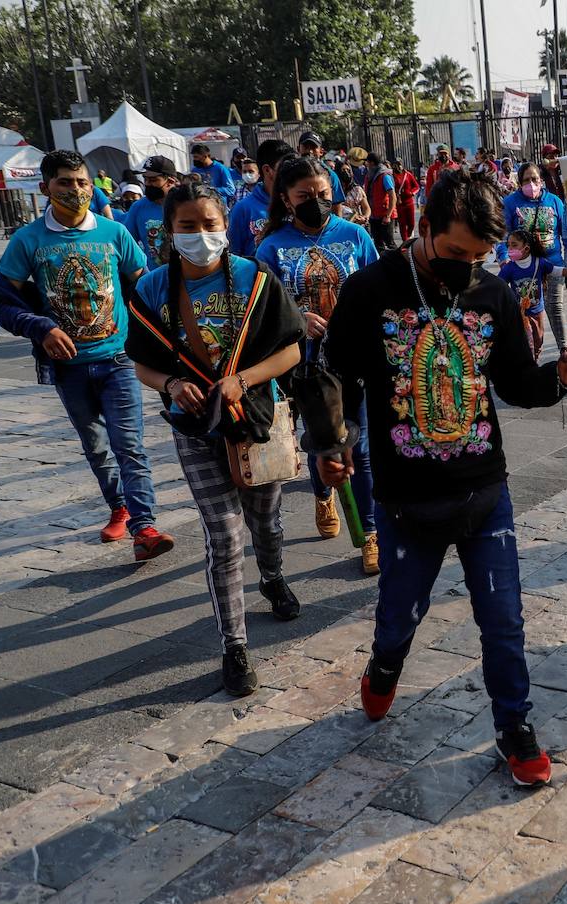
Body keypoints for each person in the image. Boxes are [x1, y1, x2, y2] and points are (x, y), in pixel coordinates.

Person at [316, 170, 567, 786]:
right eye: (453, 254)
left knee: (504, 619)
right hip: (404, 501)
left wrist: (562, 376)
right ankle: (384, 668)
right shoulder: (370, 290)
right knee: (399, 616)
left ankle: (515, 726)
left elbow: (517, 384)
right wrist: (333, 442)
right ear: (423, 229)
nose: (465, 269)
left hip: (482, 491)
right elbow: (333, 372)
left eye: (478, 258)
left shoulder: (492, 295)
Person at [127, 181, 305, 696]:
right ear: (169, 231)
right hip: (198, 429)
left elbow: (290, 351)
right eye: (188, 227)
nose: (200, 235)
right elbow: (143, 363)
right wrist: (172, 384)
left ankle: (271, 577)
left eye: (209, 225)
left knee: (266, 522)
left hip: (257, 421)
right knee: (224, 535)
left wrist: (243, 379)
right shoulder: (153, 288)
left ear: (225, 226)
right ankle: (234, 645)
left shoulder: (256, 278)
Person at [0, 150, 175, 559]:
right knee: (95, 445)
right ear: (45, 188)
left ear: (93, 185)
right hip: (68, 367)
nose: (75, 190)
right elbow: (0, 300)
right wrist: (41, 327)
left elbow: (143, 288)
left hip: (118, 360)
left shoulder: (113, 233)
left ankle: (145, 527)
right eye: (65, 183)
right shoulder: (28, 241)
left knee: (130, 444)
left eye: (82, 182)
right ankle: (119, 507)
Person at [255, 156, 381, 573]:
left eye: (324, 194)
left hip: (356, 358)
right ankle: (323, 494)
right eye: (304, 196)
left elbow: (378, 288)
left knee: (359, 447)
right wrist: (296, 317)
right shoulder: (272, 247)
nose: (316, 202)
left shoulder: (356, 235)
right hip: (305, 368)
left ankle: (370, 533)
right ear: (286, 200)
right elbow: (260, 308)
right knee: (320, 441)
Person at [497, 161, 567, 354]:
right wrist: (503, 257)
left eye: (534, 179)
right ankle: (531, 352)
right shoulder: (510, 203)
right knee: (527, 311)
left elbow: (566, 233)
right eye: (526, 180)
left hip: (552, 263)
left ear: (541, 180)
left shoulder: (555, 202)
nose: (531, 183)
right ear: (519, 182)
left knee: (555, 307)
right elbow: (502, 235)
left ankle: (564, 350)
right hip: (523, 269)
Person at [497, 229, 558, 360]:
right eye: (508, 245)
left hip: (537, 312)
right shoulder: (509, 268)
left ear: (526, 248)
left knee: (538, 341)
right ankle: (529, 365)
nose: (510, 248)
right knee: (525, 343)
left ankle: (535, 360)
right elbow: (499, 286)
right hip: (520, 314)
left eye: (514, 245)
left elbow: (554, 270)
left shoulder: (539, 263)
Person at [229, 139, 293, 258]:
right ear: (267, 170)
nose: (290, 171)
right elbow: (235, 256)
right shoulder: (243, 209)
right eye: (284, 166)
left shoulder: (297, 202)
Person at [125, 155, 181, 270]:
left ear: (170, 181)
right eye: (145, 179)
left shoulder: (184, 204)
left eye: (153, 180)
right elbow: (127, 244)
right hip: (154, 279)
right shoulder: (138, 207)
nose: (147, 184)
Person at [362, 152, 398, 252]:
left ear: (372, 163)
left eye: (367, 162)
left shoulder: (384, 176)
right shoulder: (369, 175)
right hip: (374, 215)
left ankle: (399, 264)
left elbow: (392, 195)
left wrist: (388, 215)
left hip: (384, 215)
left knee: (390, 243)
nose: (366, 164)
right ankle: (382, 265)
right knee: (378, 244)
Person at [296, 132, 346, 205]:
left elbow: (337, 207)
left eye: (313, 147)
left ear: (321, 151)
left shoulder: (331, 175)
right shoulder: (291, 174)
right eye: (306, 147)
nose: (309, 151)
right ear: (298, 149)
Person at [391, 159, 420, 242]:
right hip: (399, 203)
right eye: (396, 164)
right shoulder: (392, 176)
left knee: (411, 224)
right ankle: (405, 241)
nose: (398, 166)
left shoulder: (408, 175)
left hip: (409, 202)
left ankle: (409, 235)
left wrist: (412, 193)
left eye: (399, 164)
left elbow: (416, 186)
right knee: (402, 223)